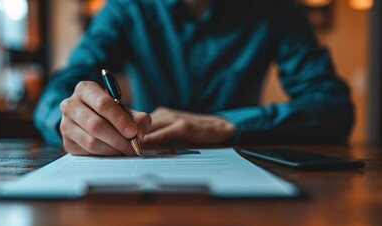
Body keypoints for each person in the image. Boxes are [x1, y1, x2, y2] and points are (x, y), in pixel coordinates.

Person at [34, 0, 354, 156]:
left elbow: (332, 108)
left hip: (242, 172)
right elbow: (62, 90)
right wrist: (72, 118)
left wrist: (226, 125)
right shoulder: (126, 8)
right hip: (141, 160)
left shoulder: (278, 9)